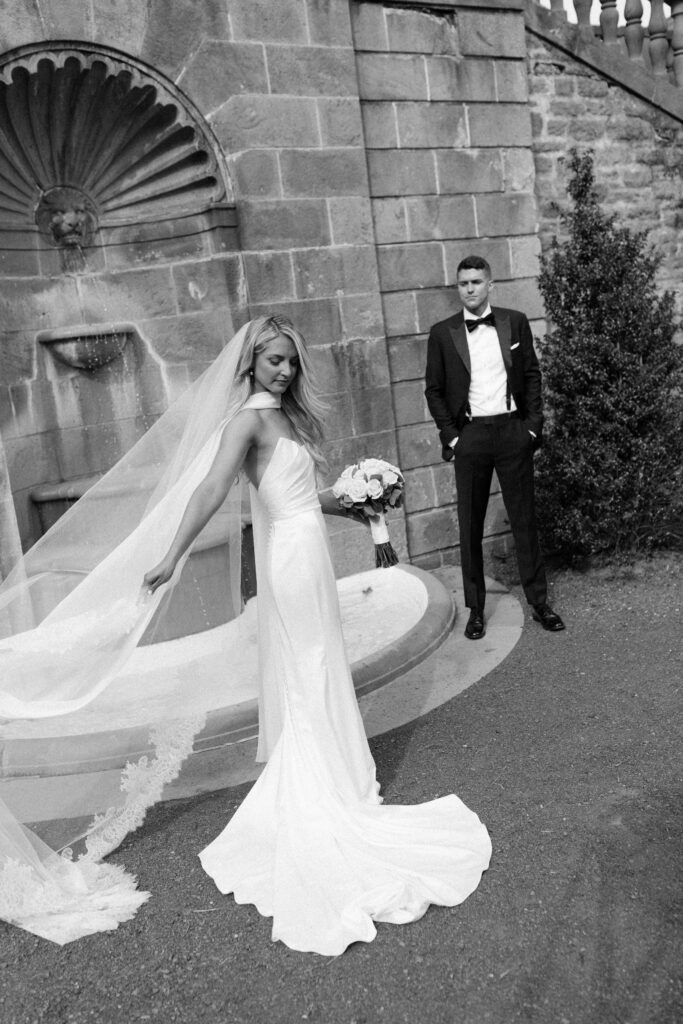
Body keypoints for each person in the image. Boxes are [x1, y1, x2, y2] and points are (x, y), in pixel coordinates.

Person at [139, 315, 491, 955]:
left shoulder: (282, 420)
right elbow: (213, 488)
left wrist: (356, 499)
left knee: (324, 661)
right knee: (309, 667)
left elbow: (299, 500)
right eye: (275, 360)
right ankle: (319, 790)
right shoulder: (245, 421)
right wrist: (173, 555)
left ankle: (339, 775)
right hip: (292, 562)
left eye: (291, 362)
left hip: (309, 546)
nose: (284, 370)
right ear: (250, 361)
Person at [425, 255, 565, 640]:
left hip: (512, 432)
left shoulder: (514, 321)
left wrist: (532, 428)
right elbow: (433, 390)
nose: (469, 289)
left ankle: (539, 602)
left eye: (475, 282)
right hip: (470, 436)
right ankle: (475, 610)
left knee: (524, 520)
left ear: (490, 285)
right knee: (470, 526)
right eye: (462, 283)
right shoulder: (442, 333)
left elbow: (533, 375)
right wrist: (453, 437)